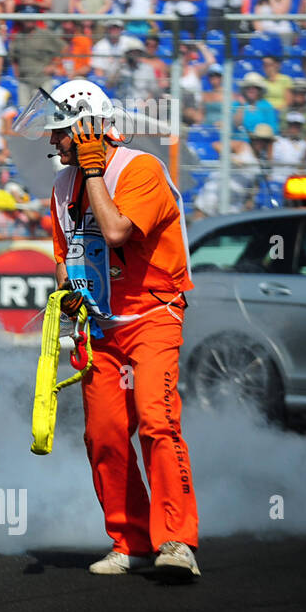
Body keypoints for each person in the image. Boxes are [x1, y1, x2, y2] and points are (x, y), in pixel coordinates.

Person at [29, 78, 200, 579]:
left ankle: (176, 541)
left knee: (157, 420)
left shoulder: (140, 169)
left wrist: (95, 172)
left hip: (153, 315)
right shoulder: (62, 187)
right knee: (102, 433)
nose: (52, 142)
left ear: (85, 131)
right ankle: (130, 540)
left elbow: (117, 230)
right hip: (100, 324)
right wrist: (64, 293)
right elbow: (65, 258)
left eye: (59, 132)